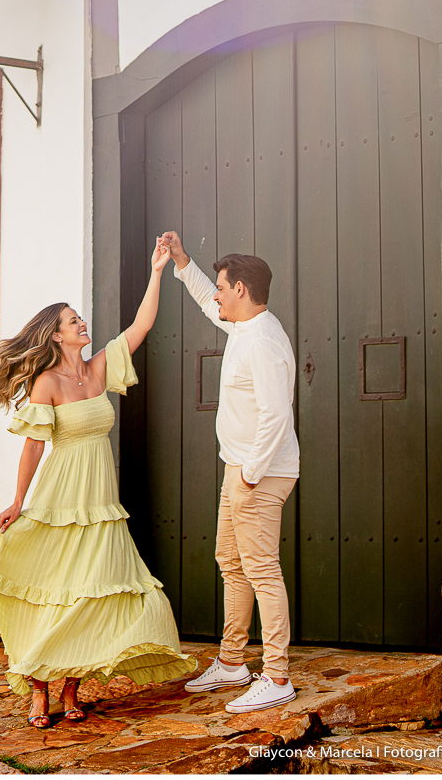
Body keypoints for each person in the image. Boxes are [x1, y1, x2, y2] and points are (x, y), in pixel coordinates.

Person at [0, 239, 195, 728]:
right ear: (56, 335)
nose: (82, 324)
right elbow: (33, 447)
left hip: (99, 501)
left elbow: (142, 325)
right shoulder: (46, 382)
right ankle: (38, 694)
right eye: (73, 321)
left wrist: (157, 271)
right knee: (52, 590)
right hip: (60, 496)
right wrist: (16, 501)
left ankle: (72, 691)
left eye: (80, 318)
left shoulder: (98, 370)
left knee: (89, 593)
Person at [159, 231, 299, 714]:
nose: (216, 293)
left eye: (222, 286)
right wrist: (182, 261)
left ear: (240, 289)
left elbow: (277, 415)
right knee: (231, 561)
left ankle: (277, 676)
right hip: (240, 469)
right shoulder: (244, 327)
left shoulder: (262, 341)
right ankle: (233, 662)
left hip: (257, 474)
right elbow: (204, 301)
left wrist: (251, 473)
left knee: (260, 569)